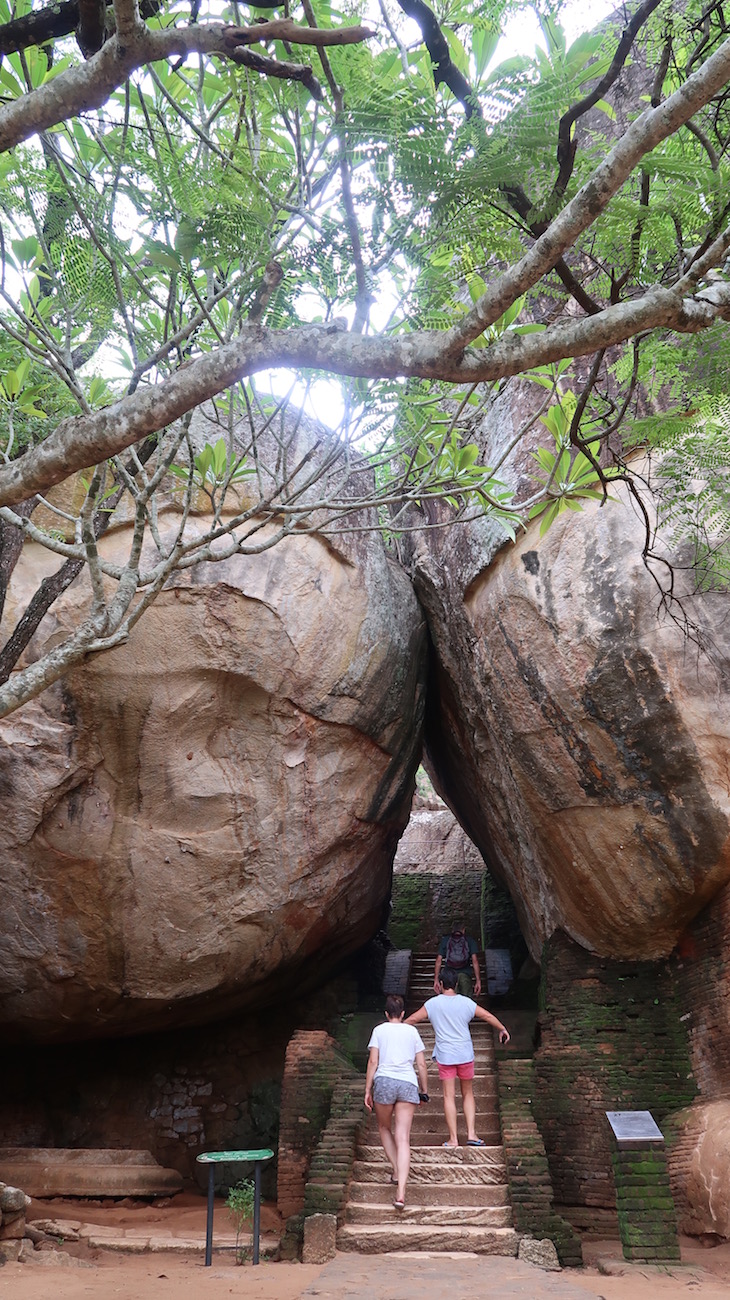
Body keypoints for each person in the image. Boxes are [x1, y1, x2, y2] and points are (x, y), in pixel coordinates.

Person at [407, 968, 510, 1149]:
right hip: (465, 1054)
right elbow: (486, 1015)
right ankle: (471, 1134)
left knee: (448, 1096)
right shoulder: (466, 1003)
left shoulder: (432, 1004)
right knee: (468, 1093)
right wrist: (502, 1028)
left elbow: (412, 1019)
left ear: (439, 985)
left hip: (445, 1056)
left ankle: (453, 1139)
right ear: (455, 984)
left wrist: (395, 1029)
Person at [364, 993, 429, 1209]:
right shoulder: (412, 1031)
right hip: (408, 1083)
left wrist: (367, 1089)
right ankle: (401, 1191)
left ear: (386, 1013)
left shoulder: (379, 1030)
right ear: (402, 1014)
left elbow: (373, 1061)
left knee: (384, 1128)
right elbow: (421, 1065)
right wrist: (424, 1090)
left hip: (384, 1082)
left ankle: (395, 1169)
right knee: (404, 1138)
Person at [434, 920, 482, 998]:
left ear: (452, 930)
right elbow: (475, 961)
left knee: (451, 1000)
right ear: (463, 930)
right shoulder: (469, 940)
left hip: (449, 976)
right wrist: (478, 980)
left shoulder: (446, 940)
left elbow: (438, 961)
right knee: (466, 1001)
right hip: (465, 974)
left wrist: (436, 979)